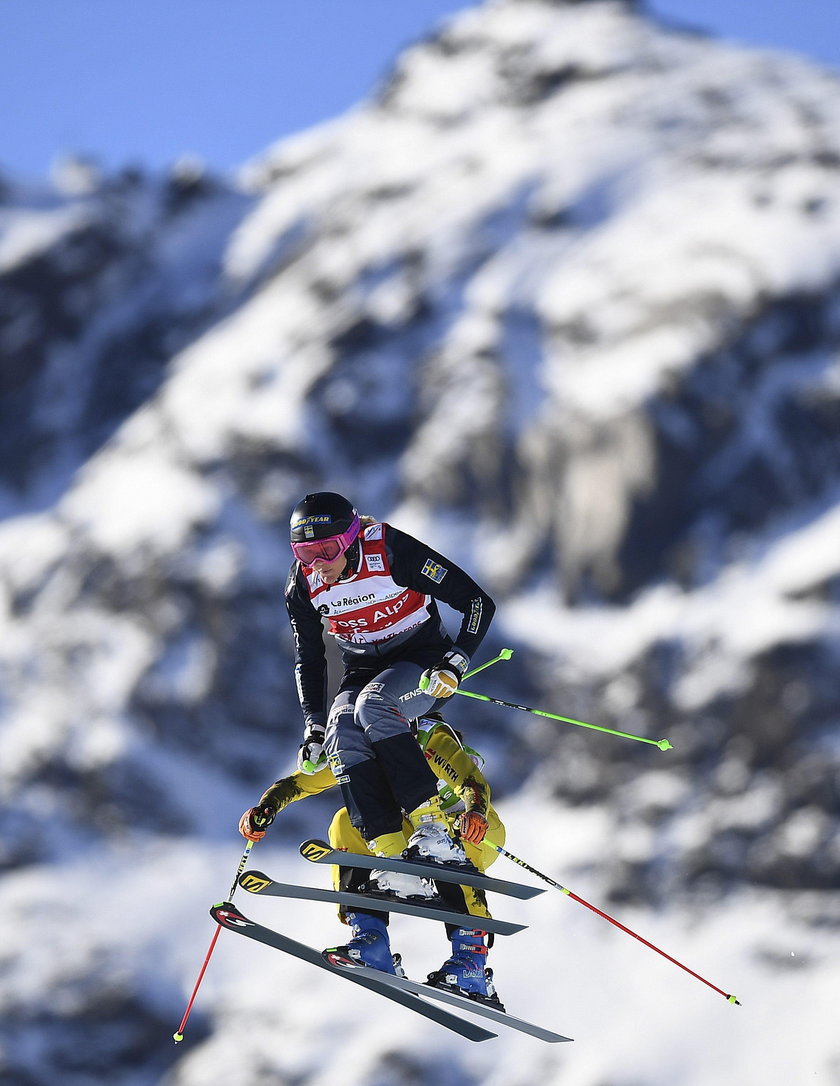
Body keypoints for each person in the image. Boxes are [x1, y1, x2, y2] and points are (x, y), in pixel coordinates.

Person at [283, 491, 495, 886]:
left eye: (326, 550)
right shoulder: (303, 585)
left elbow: (477, 603)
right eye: (304, 552)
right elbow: (308, 659)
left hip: (422, 658)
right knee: (340, 729)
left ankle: (433, 833)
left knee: (373, 704)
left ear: (349, 538)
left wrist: (456, 661)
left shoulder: (390, 552)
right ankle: (392, 854)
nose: (317, 565)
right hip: (363, 666)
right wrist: (312, 726)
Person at [240, 712, 506, 1006]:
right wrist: (267, 807)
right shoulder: (358, 746)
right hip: (413, 835)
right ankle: (371, 938)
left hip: (475, 829)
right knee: (345, 821)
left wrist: (475, 811)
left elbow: (470, 779)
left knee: (451, 836)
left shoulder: (428, 738)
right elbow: (302, 782)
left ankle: (471, 960)